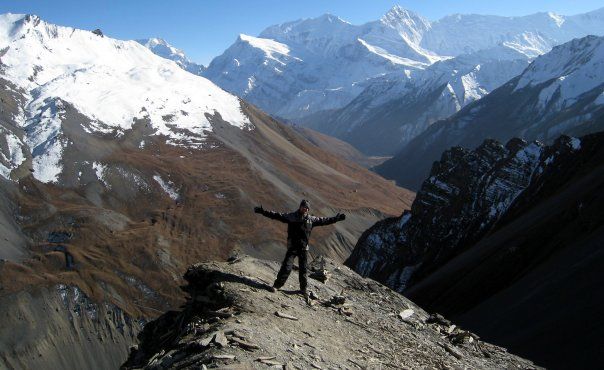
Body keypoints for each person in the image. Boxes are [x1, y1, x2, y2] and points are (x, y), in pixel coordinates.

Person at [254, 199, 345, 298]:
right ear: (300, 207)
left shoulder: (311, 220)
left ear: (308, 209)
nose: (305, 209)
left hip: (303, 249)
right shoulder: (291, 217)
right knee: (286, 267)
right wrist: (263, 212)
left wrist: (337, 218)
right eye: (303, 207)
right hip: (292, 248)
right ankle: (276, 286)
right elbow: (277, 215)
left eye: (307, 208)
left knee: (303, 270)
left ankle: (303, 289)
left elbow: (324, 221)